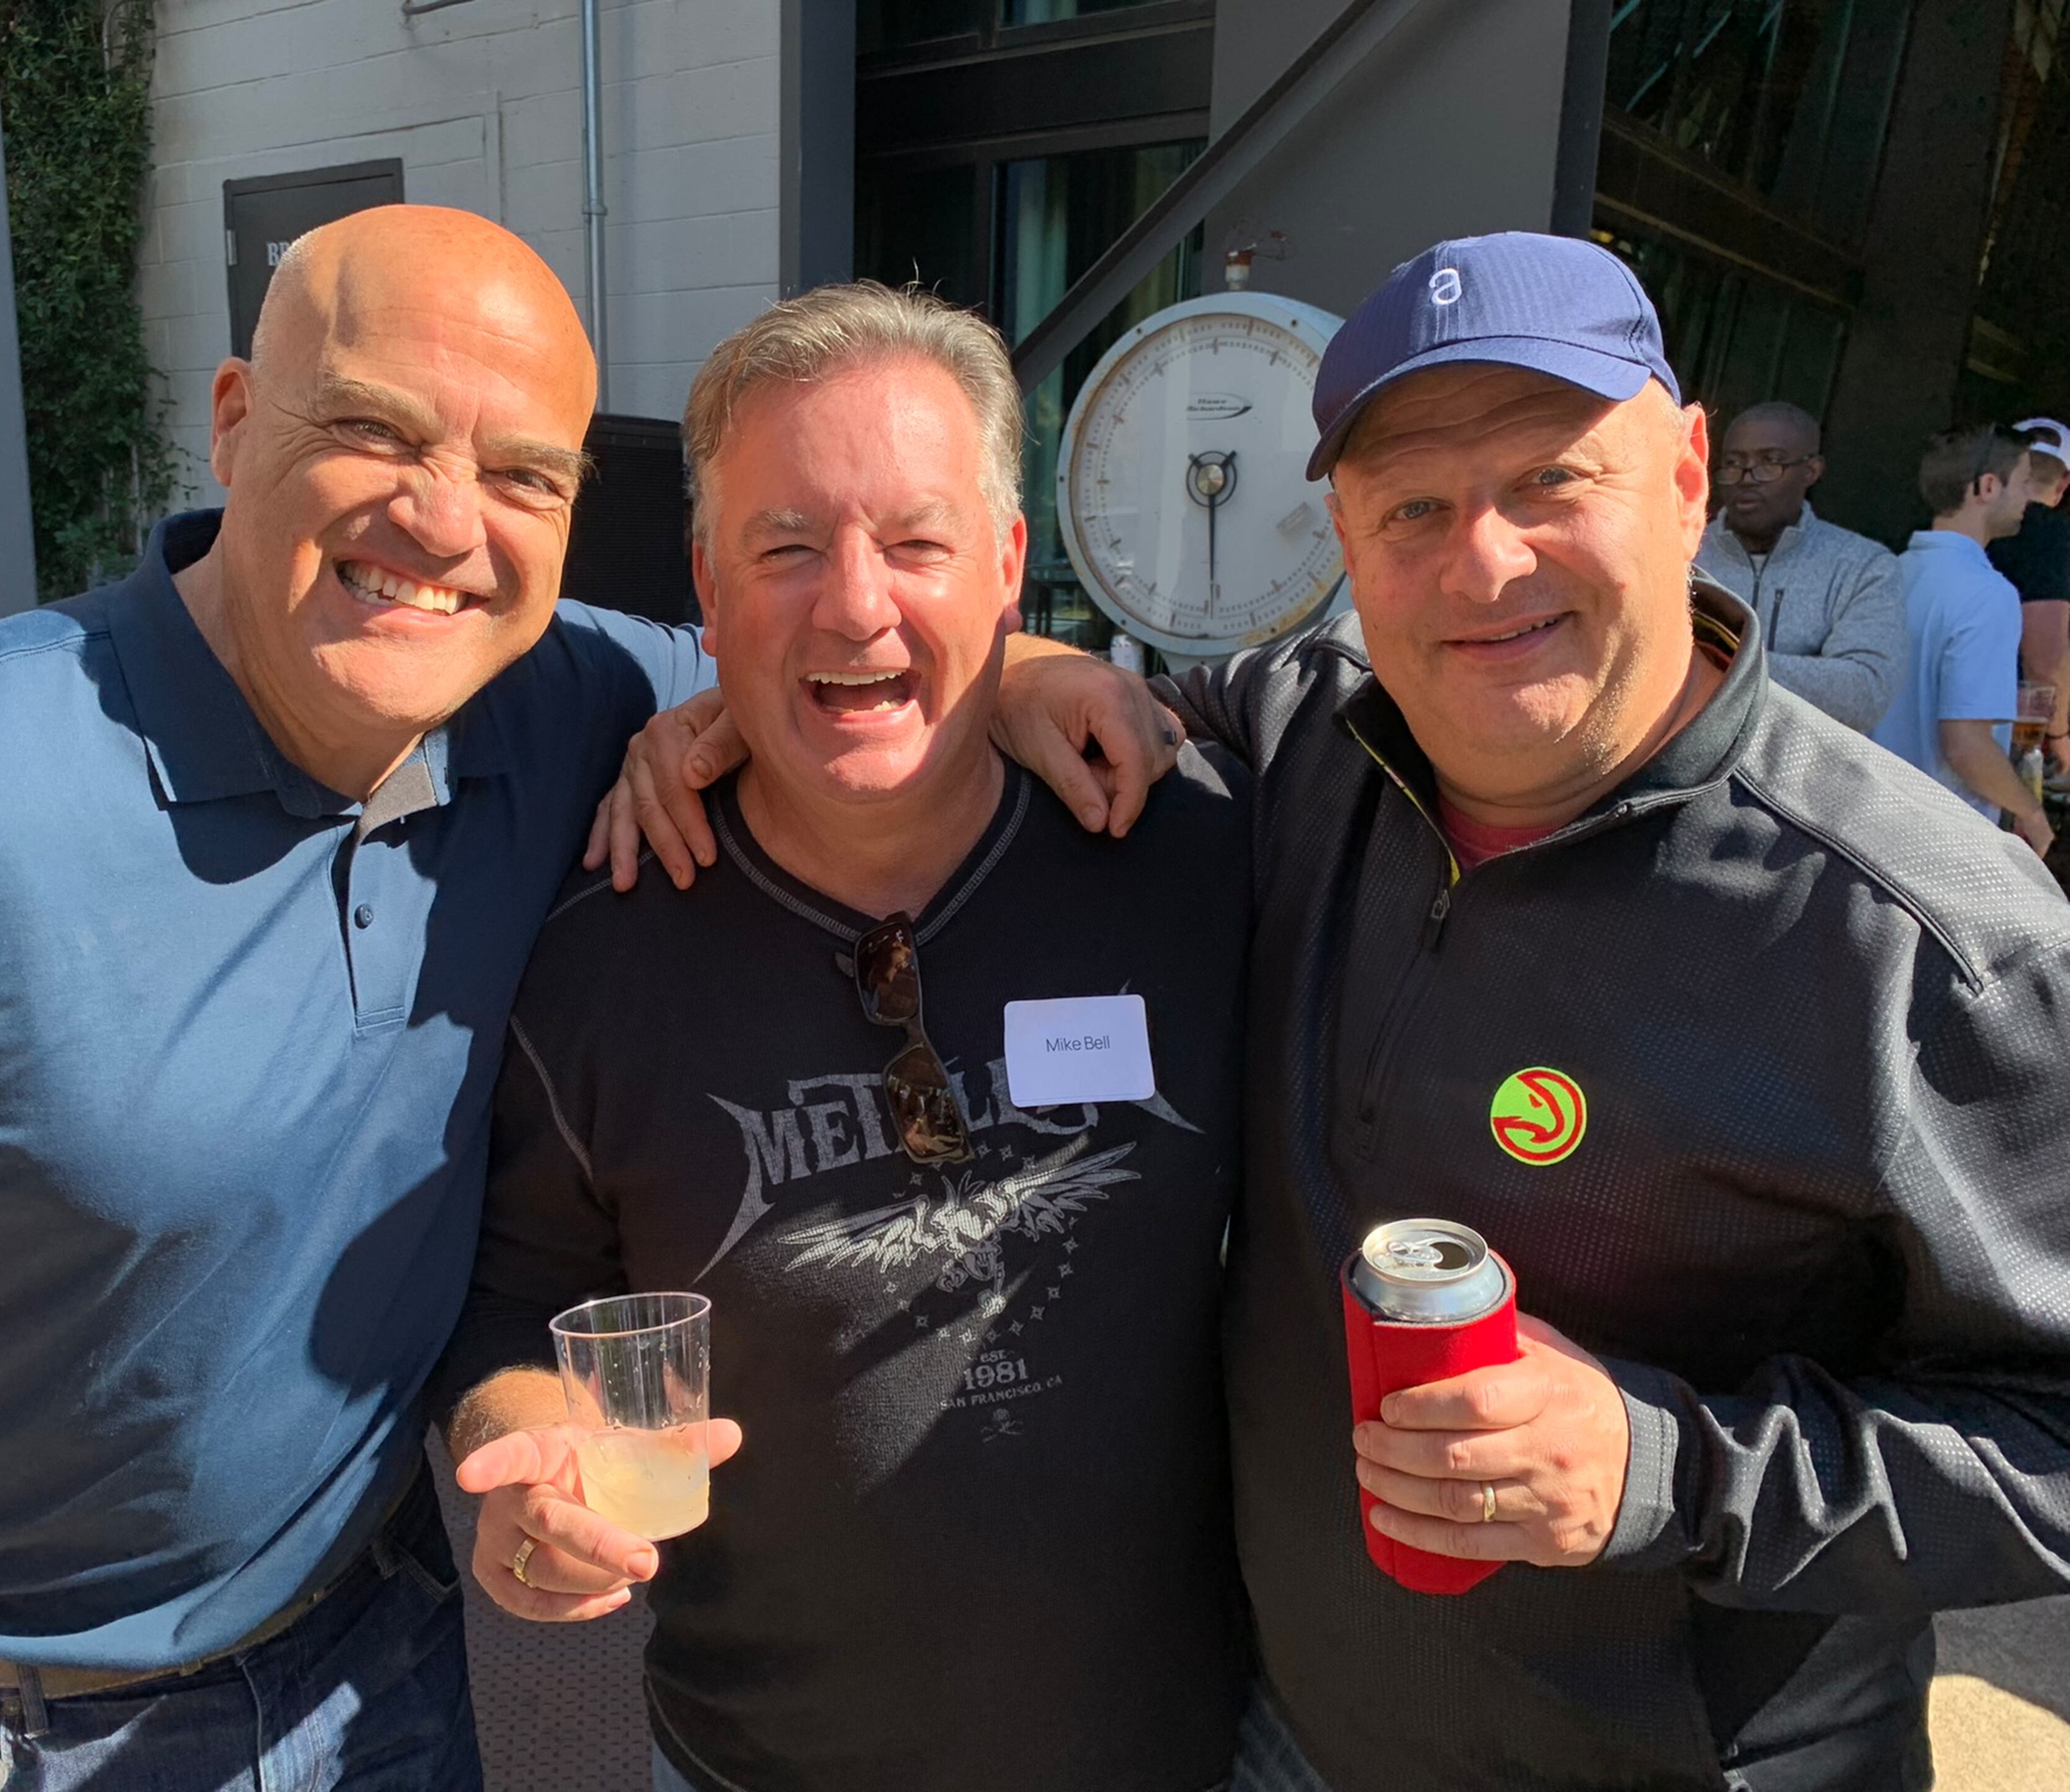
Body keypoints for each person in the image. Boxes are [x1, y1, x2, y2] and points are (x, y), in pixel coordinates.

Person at [0, 206, 1165, 1791]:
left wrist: (1022, 673)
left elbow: (829, 650)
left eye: (524, 473)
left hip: (382, 1665)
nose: (446, 521)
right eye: (374, 431)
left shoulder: (551, 693)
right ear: (235, 421)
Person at [611, 232, 2070, 1792]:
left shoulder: (1930, 941)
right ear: (1347, 540)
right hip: (1284, 1742)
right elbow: (995, 685)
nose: (1483, 564)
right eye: (1413, 508)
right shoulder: (1305, 744)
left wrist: (1667, 1467)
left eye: (1549, 481)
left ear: (1685, 474)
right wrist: (981, 669)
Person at [438, 284, 1252, 1792]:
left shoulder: (1188, 855)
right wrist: (529, 1460)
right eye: (787, 546)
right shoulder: (599, 955)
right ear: (706, 583)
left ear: (1007, 566)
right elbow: (517, 1308)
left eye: (917, 543)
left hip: (1179, 1750)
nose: (855, 606)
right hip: (755, 1760)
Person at [1869, 424, 2049, 854]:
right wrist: (2030, 812)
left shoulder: (1885, 575)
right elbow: (1967, 746)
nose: (2029, 497)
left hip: (1865, 822)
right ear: (1988, 487)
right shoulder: (1989, 594)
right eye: (2024, 481)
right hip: (1939, 841)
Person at [1690, 401, 1903, 730]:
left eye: (1771, 461)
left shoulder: (1863, 565)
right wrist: (1811, 672)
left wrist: (1714, 660)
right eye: (1733, 463)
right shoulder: (1685, 552)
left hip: (1807, 761)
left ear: (1812, 471)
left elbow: (1863, 696)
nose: (1748, 478)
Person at [1993, 416, 2070, 769]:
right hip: (2014, 735)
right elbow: (2046, 660)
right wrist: (2060, 737)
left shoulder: (1968, 526)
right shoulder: (2052, 535)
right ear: (2065, 483)